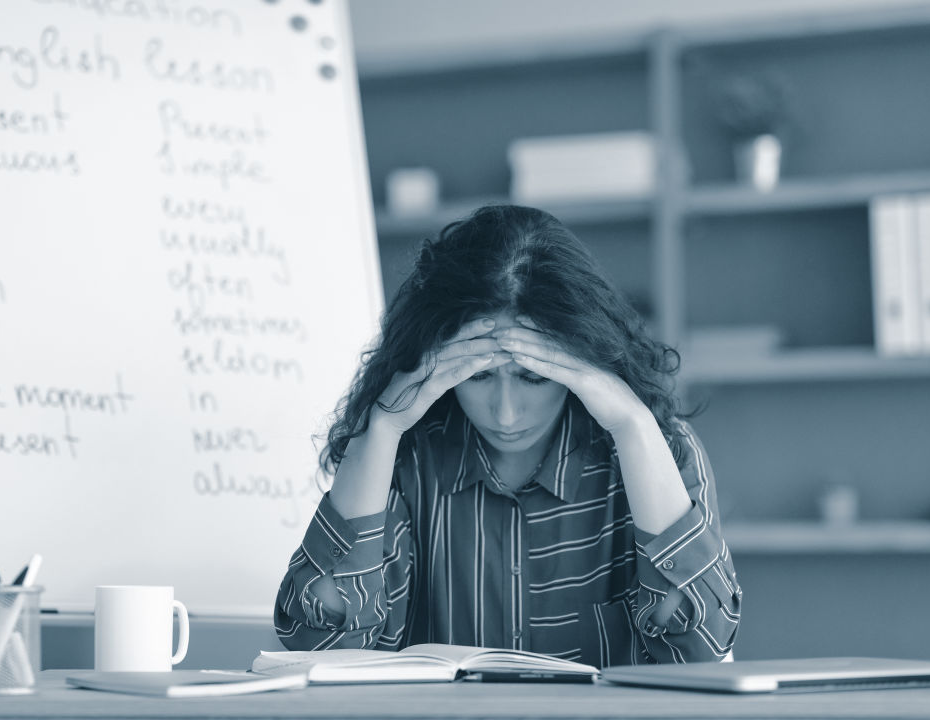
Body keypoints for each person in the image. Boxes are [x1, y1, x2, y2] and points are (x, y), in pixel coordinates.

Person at [274, 205, 740, 666]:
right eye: (476, 377)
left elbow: (698, 651)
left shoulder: (660, 450)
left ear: (585, 364)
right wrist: (382, 427)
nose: (506, 413)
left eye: (534, 377)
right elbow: (321, 646)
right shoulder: (406, 455)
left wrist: (633, 425)